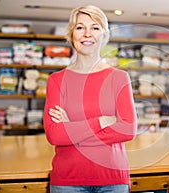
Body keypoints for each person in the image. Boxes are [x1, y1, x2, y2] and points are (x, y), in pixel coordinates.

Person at [43, 5, 137, 193]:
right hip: (68, 181)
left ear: (104, 35)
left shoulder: (118, 78)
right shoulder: (57, 80)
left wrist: (72, 129)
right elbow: (55, 135)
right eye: (80, 27)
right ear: (71, 34)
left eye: (95, 28)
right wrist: (102, 121)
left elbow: (127, 130)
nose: (87, 34)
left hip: (113, 179)